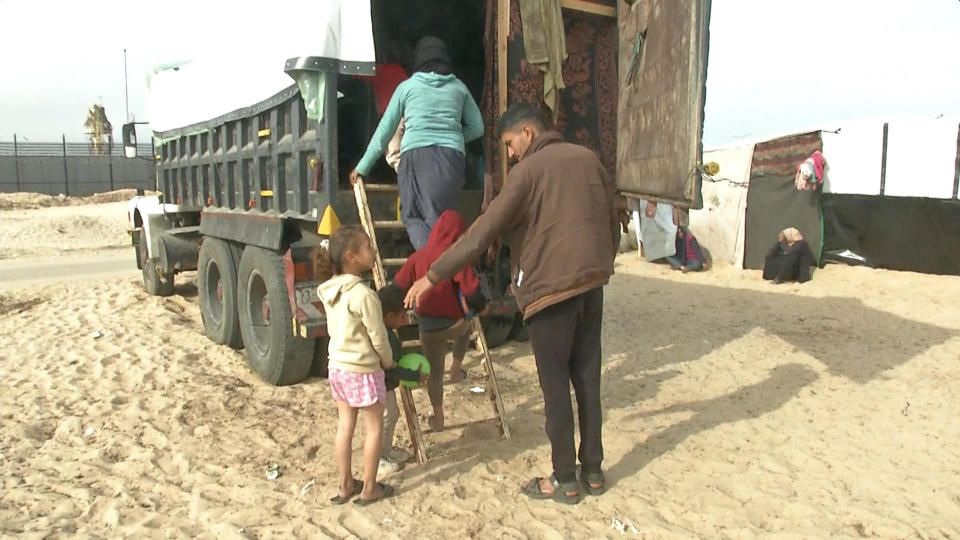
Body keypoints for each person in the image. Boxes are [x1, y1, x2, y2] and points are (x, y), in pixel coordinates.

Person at [404, 104, 629, 504]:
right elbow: (616, 213)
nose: (510, 154)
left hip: (549, 293)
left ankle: (564, 479)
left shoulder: (529, 171)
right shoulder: (589, 159)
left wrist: (432, 276)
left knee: (555, 386)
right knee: (587, 379)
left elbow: (479, 234)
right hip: (592, 286)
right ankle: (593, 470)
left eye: (509, 144)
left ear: (528, 132)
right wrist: (601, 263)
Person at [349, 36, 484, 250]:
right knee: (443, 220)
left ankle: (432, 266)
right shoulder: (459, 88)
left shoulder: (407, 87)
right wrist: (453, 138)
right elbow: (478, 128)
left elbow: (385, 131)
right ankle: (443, 268)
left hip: (417, 157)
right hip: (452, 159)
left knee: (413, 215)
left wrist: (363, 166)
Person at [315, 225, 396, 506]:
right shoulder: (364, 295)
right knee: (373, 428)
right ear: (351, 256)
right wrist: (388, 362)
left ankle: (346, 485)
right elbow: (378, 337)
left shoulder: (329, 292)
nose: (372, 251)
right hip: (363, 369)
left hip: (337, 367)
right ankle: (370, 487)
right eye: (367, 247)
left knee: (345, 427)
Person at [392, 210, 487, 432]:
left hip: (427, 329)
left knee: (434, 372)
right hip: (453, 326)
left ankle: (439, 416)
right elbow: (472, 291)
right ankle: (456, 368)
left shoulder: (417, 257)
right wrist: (482, 307)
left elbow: (397, 286)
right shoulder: (454, 257)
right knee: (467, 326)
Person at [375, 284, 428, 475]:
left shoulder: (385, 332)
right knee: (385, 419)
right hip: (380, 386)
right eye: (402, 316)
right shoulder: (385, 337)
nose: (406, 320)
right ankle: (378, 458)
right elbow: (391, 369)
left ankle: (386, 451)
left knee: (391, 416)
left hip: (384, 386)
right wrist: (414, 376)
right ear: (389, 316)